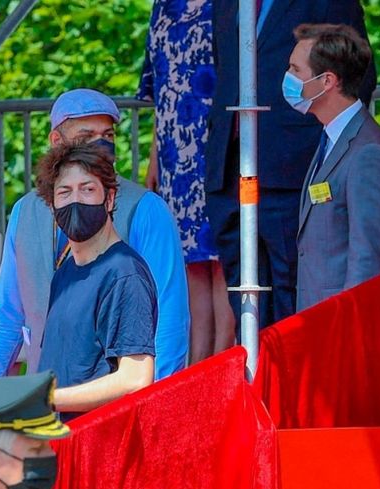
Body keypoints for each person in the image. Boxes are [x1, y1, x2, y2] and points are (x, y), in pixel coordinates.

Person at [0, 89, 188, 383]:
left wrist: (155, 408)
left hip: (115, 410)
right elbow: (6, 316)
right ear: (56, 142)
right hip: (45, 407)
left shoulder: (146, 209)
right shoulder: (25, 212)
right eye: (86, 137)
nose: (101, 146)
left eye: (108, 136)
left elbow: (169, 322)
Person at [205, 0, 377, 332]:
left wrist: (328, 150)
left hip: (294, 168)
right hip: (230, 170)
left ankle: (297, 379)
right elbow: (224, 69)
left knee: (293, 296)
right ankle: (260, 381)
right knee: (246, 302)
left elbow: (358, 75)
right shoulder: (225, 3)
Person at [137, 0, 235, 363]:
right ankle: (197, 364)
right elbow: (159, 91)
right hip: (175, 154)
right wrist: (155, 157)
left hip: (219, 144)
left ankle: (224, 358)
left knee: (223, 255)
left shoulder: (227, 6)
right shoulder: (163, 7)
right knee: (191, 260)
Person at [36, 143, 158, 419]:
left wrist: (45, 399)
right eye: (64, 192)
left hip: (101, 450)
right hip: (61, 448)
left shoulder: (124, 273)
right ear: (52, 204)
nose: (75, 200)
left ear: (110, 198)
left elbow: (135, 378)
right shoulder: (65, 272)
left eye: (88, 189)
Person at [288, 24, 380, 309]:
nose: (289, 79)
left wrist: (345, 328)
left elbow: (368, 261)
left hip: (343, 328)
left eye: (296, 70)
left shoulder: (370, 153)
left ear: (327, 81)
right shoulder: (331, 138)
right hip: (319, 320)